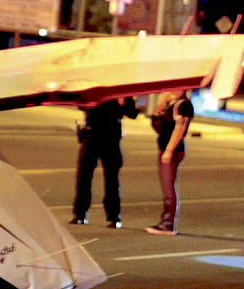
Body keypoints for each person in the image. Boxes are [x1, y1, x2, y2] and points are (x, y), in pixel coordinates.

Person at [73, 96, 135, 228]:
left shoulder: (121, 93)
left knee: (112, 180)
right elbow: (81, 104)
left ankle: (114, 216)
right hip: (91, 138)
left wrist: (122, 103)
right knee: (84, 177)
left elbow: (133, 113)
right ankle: (80, 214)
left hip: (111, 141)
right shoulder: (98, 91)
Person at [145, 89, 194, 234]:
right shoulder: (171, 104)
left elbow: (180, 129)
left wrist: (169, 150)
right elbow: (158, 124)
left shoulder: (183, 104)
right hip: (165, 148)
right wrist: (161, 104)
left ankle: (168, 224)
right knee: (167, 187)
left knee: (169, 188)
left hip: (173, 150)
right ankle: (166, 222)